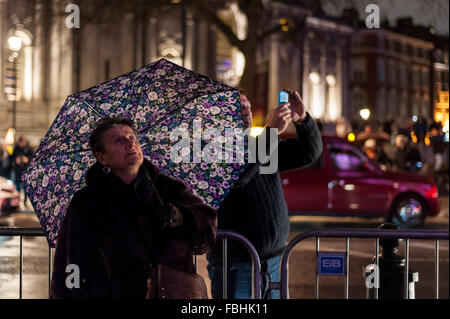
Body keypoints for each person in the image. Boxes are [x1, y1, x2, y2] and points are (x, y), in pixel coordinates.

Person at [50, 117, 217, 299]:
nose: (130, 144)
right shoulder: (88, 201)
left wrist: (182, 217)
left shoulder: (168, 189)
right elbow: (68, 264)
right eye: (119, 140)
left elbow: (207, 232)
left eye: (132, 137)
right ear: (102, 157)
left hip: (170, 292)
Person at [206, 90, 322, 299]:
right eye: (239, 108)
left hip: (273, 261)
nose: (246, 113)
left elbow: (309, 153)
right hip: (236, 264)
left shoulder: (258, 146)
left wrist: (303, 120)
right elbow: (239, 173)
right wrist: (271, 132)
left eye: (248, 107)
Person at [11, 136, 34, 208]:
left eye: (22, 143)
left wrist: (27, 159)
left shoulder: (29, 148)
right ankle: (17, 202)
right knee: (17, 187)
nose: (21, 144)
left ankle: (25, 202)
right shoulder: (16, 148)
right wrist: (15, 160)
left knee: (25, 188)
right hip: (17, 170)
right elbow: (11, 158)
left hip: (26, 170)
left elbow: (33, 158)